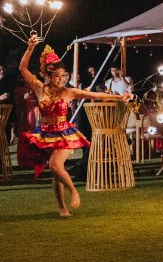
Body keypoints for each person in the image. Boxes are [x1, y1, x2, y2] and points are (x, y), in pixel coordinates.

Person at [18, 34, 126, 217]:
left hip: (64, 133)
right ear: (48, 76)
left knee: (54, 165)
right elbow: (23, 68)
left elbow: (95, 96)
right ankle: (62, 207)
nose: (61, 79)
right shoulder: (39, 88)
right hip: (44, 133)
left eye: (64, 76)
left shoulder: (69, 92)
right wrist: (30, 48)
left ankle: (74, 192)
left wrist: (120, 97)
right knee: (56, 171)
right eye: (57, 76)